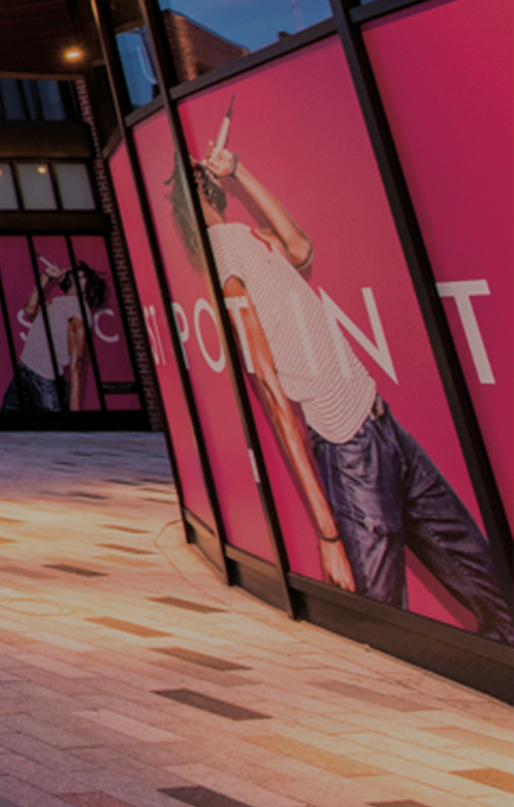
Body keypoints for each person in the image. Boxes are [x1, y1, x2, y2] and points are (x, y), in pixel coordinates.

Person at [173, 147, 513, 641]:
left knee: (493, 587)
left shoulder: (248, 239)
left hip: (382, 425)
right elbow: (271, 391)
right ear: (198, 189)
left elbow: (301, 248)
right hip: (348, 447)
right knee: (381, 621)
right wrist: (327, 532)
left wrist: (242, 170)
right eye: (203, 171)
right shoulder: (224, 258)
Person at [4, 259, 107, 413]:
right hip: (25, 370)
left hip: (43, 379)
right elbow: (29, 309)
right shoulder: (59, 302)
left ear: (86, 287)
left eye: (77, 275)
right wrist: (46, 276)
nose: (68, 273)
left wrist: (74, 409)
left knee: (54, 432)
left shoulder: (78, 308)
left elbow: (76, 361)